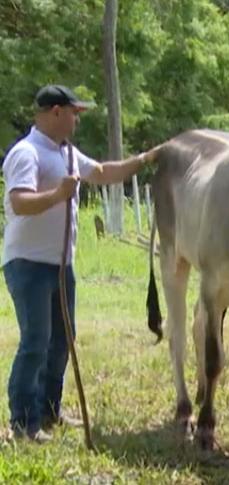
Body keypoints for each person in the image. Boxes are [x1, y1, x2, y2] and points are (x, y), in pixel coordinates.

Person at [2, 84, 158, 442]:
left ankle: (48, 410)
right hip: (28, 264)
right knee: (36, 340)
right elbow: (20, 203)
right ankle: (23, 422)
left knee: (62, 340)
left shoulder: (67, 152)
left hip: (60, 266)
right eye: (74, 112)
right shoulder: (27, 153)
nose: (76, 119)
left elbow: (102, 172)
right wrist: (59, 194)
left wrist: (146, 159)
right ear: (55, 112)